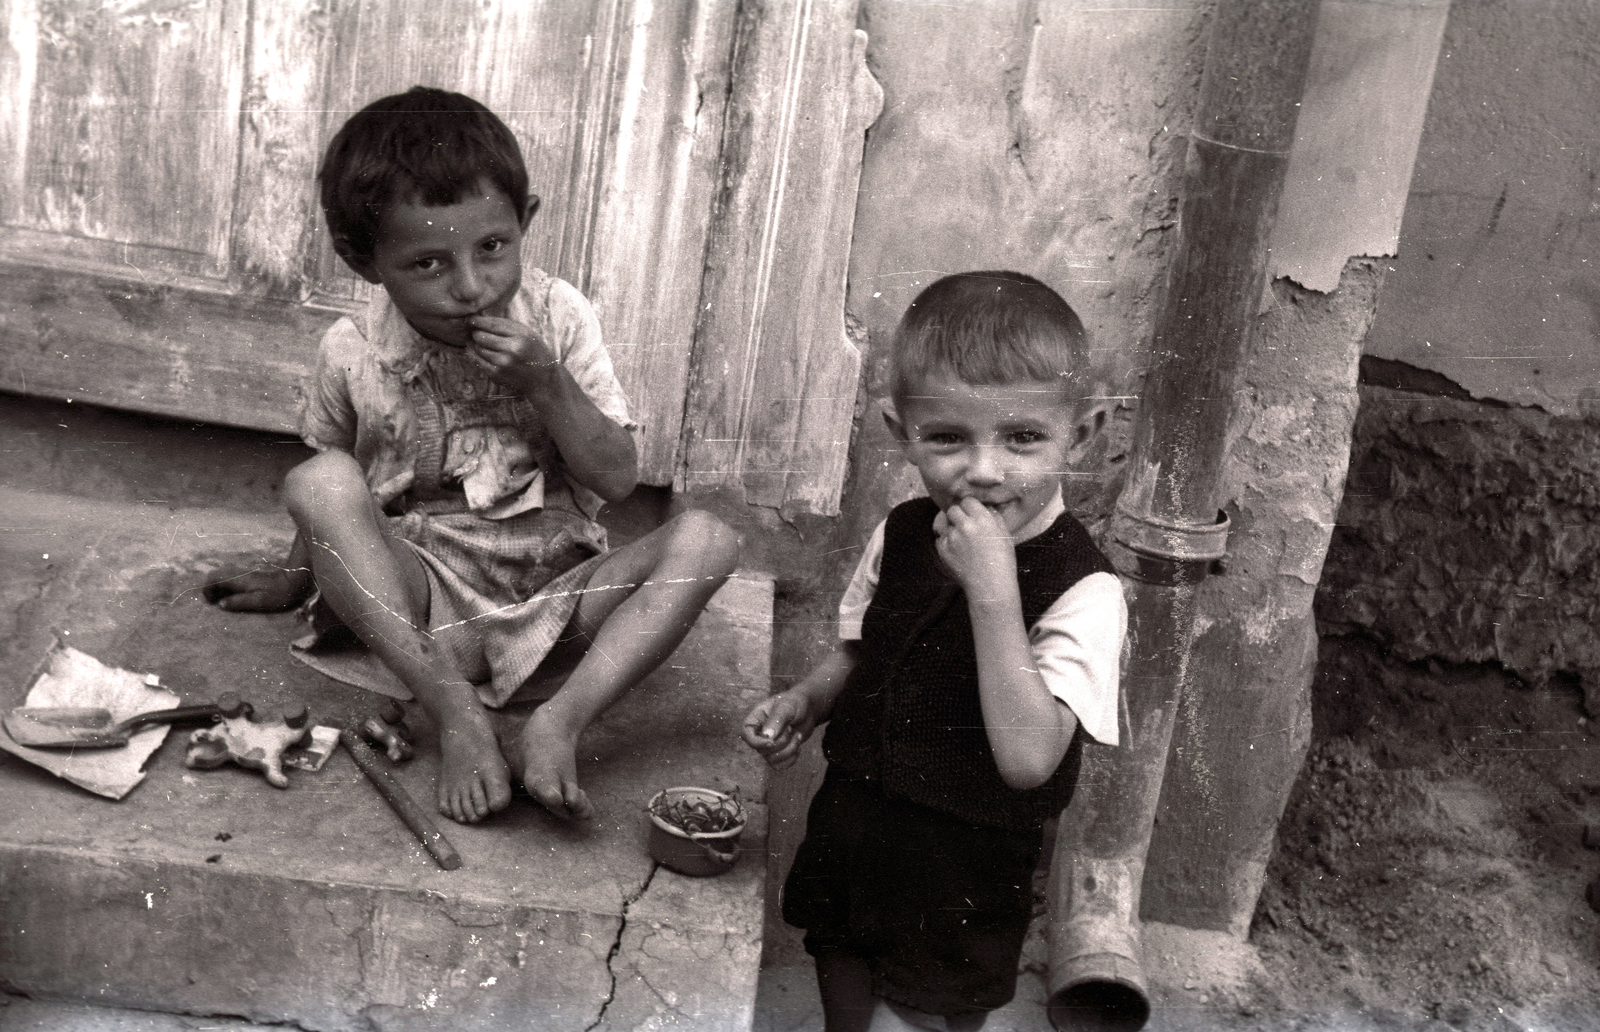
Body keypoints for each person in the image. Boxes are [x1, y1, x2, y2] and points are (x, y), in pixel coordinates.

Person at [204, 86, 740, 826]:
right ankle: (454, 710)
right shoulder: (354, 351)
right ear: (366, 263)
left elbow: (616, 480)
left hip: (558, 603)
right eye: (427, 263)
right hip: (425, 609)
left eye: (492, 247)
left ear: (526, 221)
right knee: (319, 477)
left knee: (709, 539)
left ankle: (560, 720)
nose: (469, 286)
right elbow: (332, 495)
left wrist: (545, 380)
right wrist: (293, 580)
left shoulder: (559, 317)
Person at [742, 271, 1126, 1032]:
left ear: (1081, 434)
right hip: (857, 836)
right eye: (948, 437)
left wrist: (994, 591)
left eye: (1023, 437)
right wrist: (806, 701)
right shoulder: (905, 531)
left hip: (962, 875)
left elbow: (1029, 759)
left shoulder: (1087, 589)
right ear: (900, 430)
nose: (984, 471)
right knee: (846, 1002)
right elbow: (863, 650)